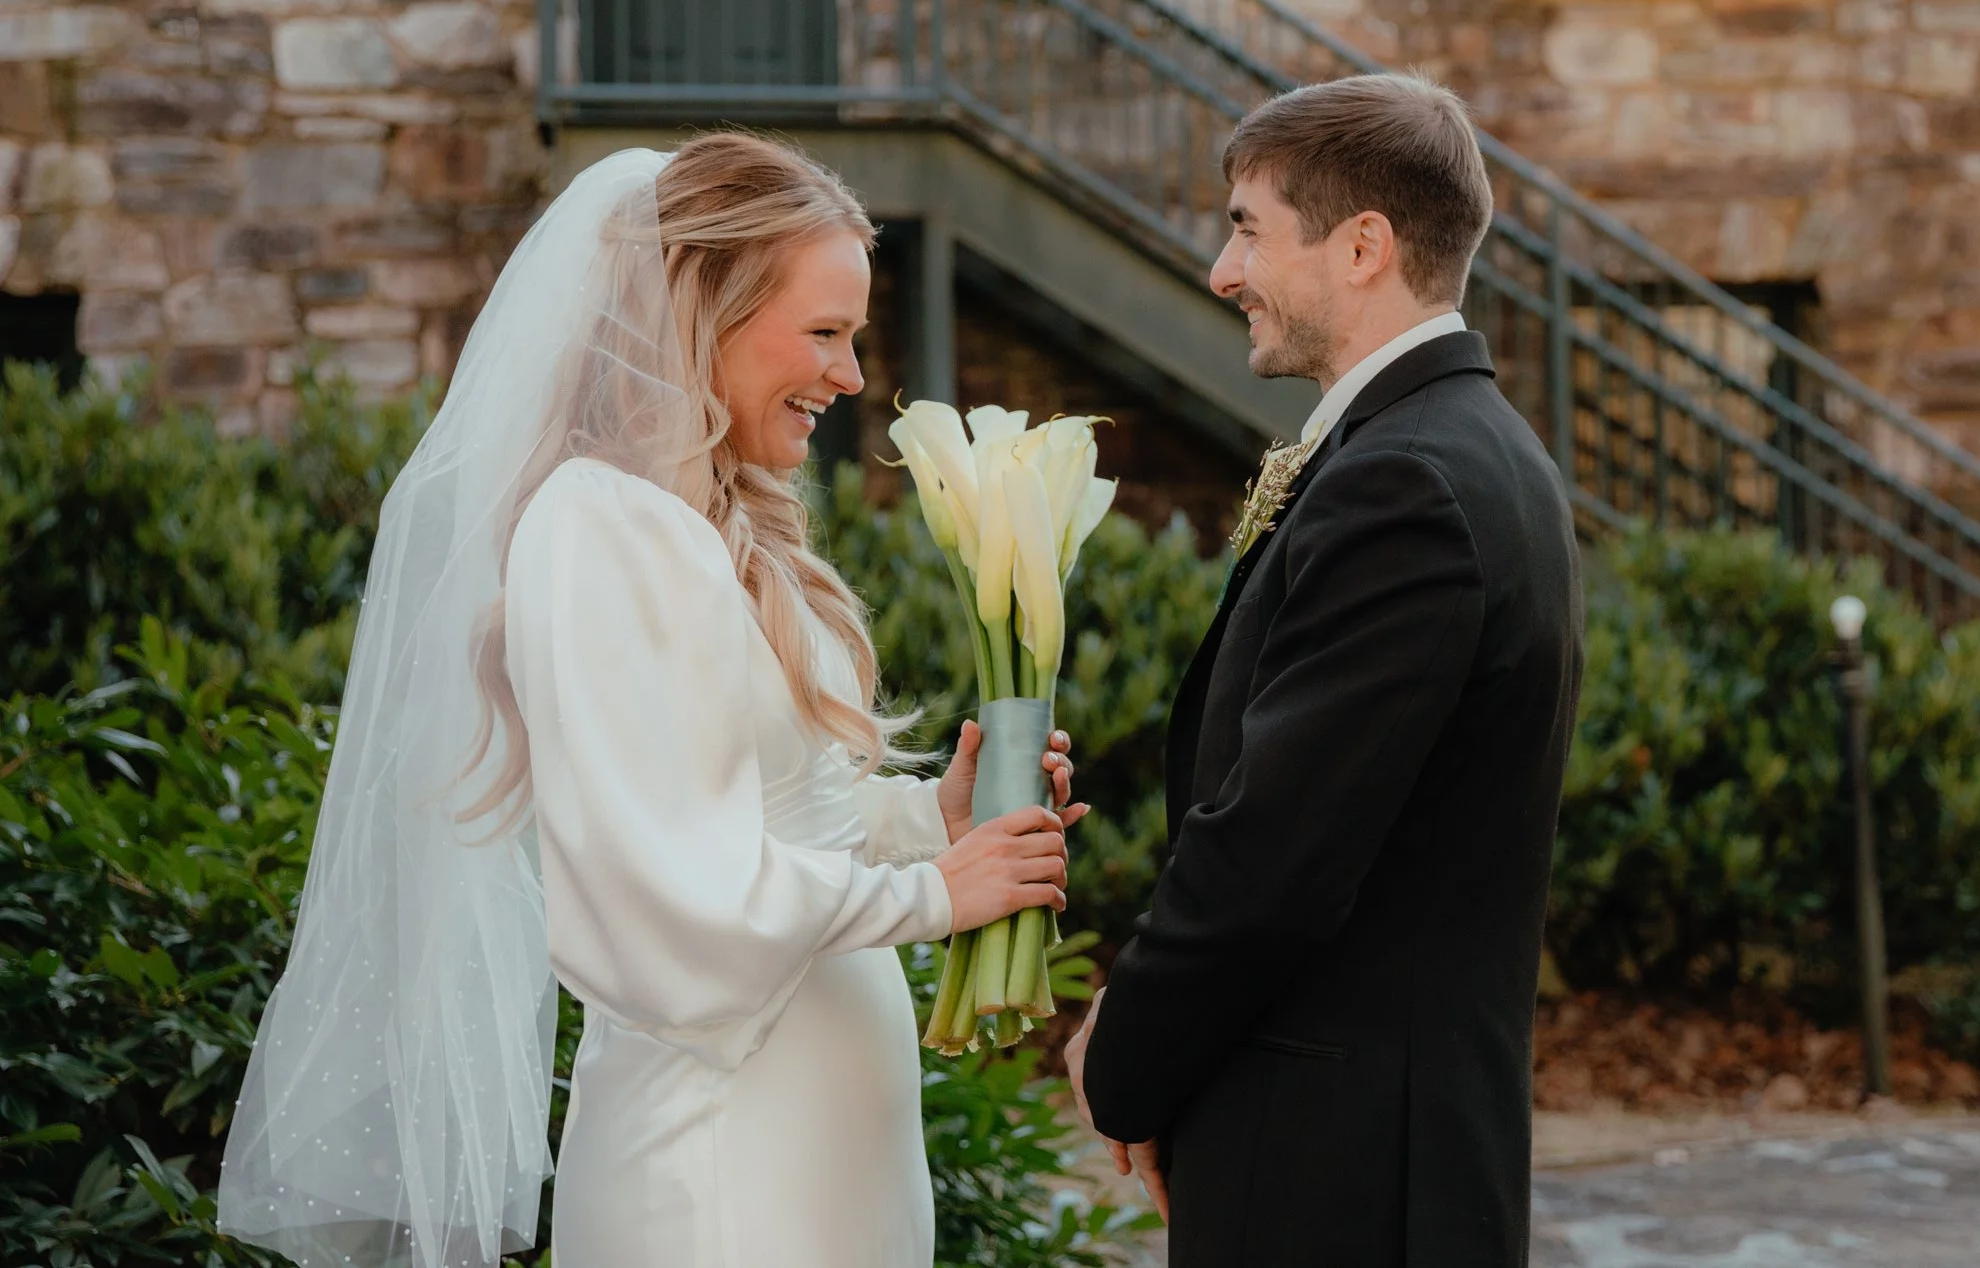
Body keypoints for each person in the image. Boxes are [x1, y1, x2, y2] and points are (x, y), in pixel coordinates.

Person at [218, 134, 1080, 1268]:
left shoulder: (716, 525)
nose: (851, 377)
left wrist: (934, 819)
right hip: (722, 1164)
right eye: (824, 332)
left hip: (826, 1154)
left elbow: (759, 806)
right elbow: (661, 889)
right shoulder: (600, 527)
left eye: (854, 337)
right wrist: (931, 894)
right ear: (705, 313)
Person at [1066, 74, 1584, 1268]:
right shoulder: (1473, 449)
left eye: (1248, 229)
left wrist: (1127, 1054)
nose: (1222, 271)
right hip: (1383, 1144)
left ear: (1362, 247)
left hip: (1336, 1168)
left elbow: (1275, 850)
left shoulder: (1403, 483)